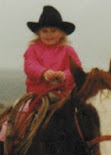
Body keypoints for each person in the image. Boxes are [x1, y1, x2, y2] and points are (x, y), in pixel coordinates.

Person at [0, 5, 82, 141]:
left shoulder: (68, 50)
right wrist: (43, 73)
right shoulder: (32, 49)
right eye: (45, 31)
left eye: (53, 31)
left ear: (61, 33)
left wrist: (65, 75)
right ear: (38, 33)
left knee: (84, 117)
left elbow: (76, 69)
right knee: (19, 114)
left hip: (64, 96)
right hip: (37, 96)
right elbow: (30, 66)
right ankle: (10, 143)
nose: (49, 35)